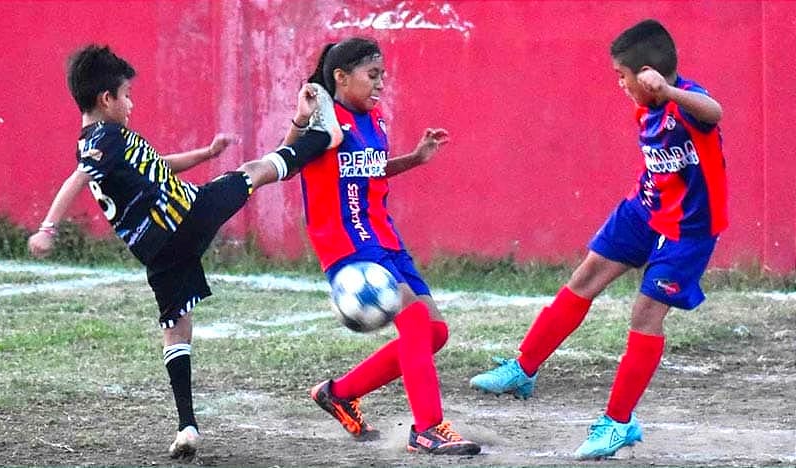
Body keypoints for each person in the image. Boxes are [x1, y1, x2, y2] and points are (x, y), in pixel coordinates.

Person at [27, 44, 340, 459]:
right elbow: (77, 179)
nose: (131, 103)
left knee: (175, 329)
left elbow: (157, 164)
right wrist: (47, 228)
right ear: (107, 99)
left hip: (158, 252)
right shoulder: (105, 138)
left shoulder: (97, 141)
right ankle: (323, 136)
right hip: (187, 216)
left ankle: (187, 426)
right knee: (252, 172)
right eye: (126, 95)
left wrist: (206, 155)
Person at [469, 19, 727, 460]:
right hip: (644, 206)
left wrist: (668, 92)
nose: (619, 85)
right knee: (585, 277)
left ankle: (617, 424)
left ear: (648, 74)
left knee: (645, 313)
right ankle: (523, 369)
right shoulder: (643, 104)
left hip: (689, 227)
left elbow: (714, 112)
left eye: (622, 77)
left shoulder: (682, 103)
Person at [284, 37, 480, 456]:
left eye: (382, 76)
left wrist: (415, 158)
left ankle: (338, 393)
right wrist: (300, 122)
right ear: (341, 77)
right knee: (413, 321)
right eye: (372, 75)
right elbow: (288, 163)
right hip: (345, 241)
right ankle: (427, 429)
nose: (380, 84)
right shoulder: (324, 120)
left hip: (383, 236)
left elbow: (371, 171)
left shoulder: (375, 121)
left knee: (434, 331)